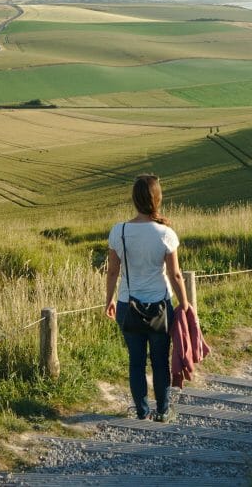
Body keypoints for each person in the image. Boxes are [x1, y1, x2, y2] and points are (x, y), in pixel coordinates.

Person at [105, 174, 190, 422]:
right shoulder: (165, 233)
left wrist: (108, 299)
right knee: (160, 361)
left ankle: (141, 411)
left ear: (134, 199)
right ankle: (163, 411)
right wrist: (184, 304)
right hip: (160, 307)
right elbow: (175, 274)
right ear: (157, 199)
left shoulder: (118, 231)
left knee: (136, 361)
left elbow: (112, 271)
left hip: (127, 305)